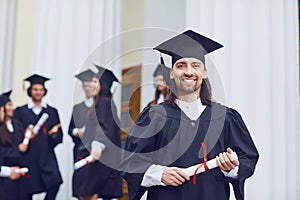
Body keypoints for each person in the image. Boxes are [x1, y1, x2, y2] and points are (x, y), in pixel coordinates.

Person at [121, 30, 259, 200]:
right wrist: (159, 174)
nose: (188, 72)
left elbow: (248, 158)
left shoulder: (225, 117)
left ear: (205, 72)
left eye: (195, 65)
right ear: (171, 73)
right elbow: (130, 162)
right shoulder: (155, 116)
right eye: (181, 65)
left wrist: (231, 167)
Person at [13, 74, 63, 200]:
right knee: (26, 189)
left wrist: (54, 134)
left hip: (46, 155)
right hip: (28, 156)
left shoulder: (51, 112)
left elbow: (59, 138)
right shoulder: (20, 111)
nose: (38, 92)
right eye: (35, 89)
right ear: (30, 91)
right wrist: (25, 133)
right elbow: (15, 135)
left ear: (44, 91)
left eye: (40, 90)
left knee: (55, 182)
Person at [84, 64, 123, 200]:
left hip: (105, 158)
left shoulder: (105, 103)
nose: (91, 85)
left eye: (95, 82)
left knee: (101, 193)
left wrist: (97, 146)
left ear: (103, 84)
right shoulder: (100, 103)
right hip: (105, 159)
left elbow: (104, 127)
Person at [68, 69, 103, 200]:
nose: (88, 87)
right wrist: (76, 132)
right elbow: (70, 129)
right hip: (80, 150)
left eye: (91, 84)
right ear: (83, 86)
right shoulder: (77, 108)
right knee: (81, 184)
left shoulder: (100, 105)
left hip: (94, 149)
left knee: (94, 186)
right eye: (86, 85)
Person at [0, 90, 30, 199]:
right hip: (5, 173)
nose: (11, 108)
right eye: (9, 105)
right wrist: (17, 149)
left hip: (18, 171)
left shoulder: (17, 125)